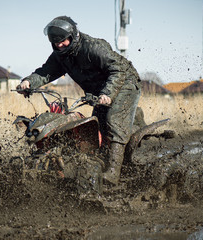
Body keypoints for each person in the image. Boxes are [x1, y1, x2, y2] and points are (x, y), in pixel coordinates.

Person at [17, 16, 143, 185]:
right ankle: (96, 164)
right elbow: (46, 71)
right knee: (98, 126)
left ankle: (113, 172)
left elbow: (117, 71)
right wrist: (28, 82)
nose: (59, 45)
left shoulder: (93, 48)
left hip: (124, 82)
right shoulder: (60, 55)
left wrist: (107, 94)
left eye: (63, 41)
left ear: (73, 36)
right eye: (55, 42)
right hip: (99, 90)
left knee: (113, 120)